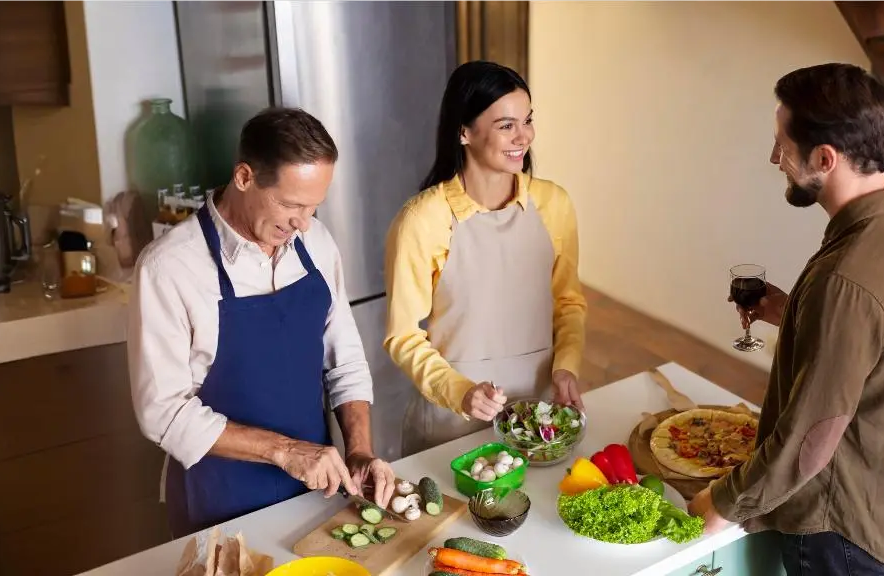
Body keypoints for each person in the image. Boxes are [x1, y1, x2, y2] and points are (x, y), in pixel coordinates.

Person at [687, 64, 884, 575]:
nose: (775, 158)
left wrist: (725, 502)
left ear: (824, 158)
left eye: (781, 144)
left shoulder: (845, 280)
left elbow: (811, 439)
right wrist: (796, 311)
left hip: (841, 528)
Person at [129, 107, 395, 536]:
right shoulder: (170, 267)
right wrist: (286, 451)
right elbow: (162, 412)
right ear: (244, 177)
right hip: (218, 502)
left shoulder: (316, 242)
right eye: (290, 204)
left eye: (313, 207)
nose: (302, 223)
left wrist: (359, 450)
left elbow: (343, 359)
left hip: (315, 492)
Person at [383, 60, 587, 456]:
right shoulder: (423, 219)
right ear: (464, 131)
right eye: (505, 125)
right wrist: (459, 393)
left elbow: (568, 302)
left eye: (526, 120)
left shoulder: (554, 204)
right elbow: (402, 335)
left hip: (539, 415)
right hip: (451, 424)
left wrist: (566, 367)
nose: (523, 136)